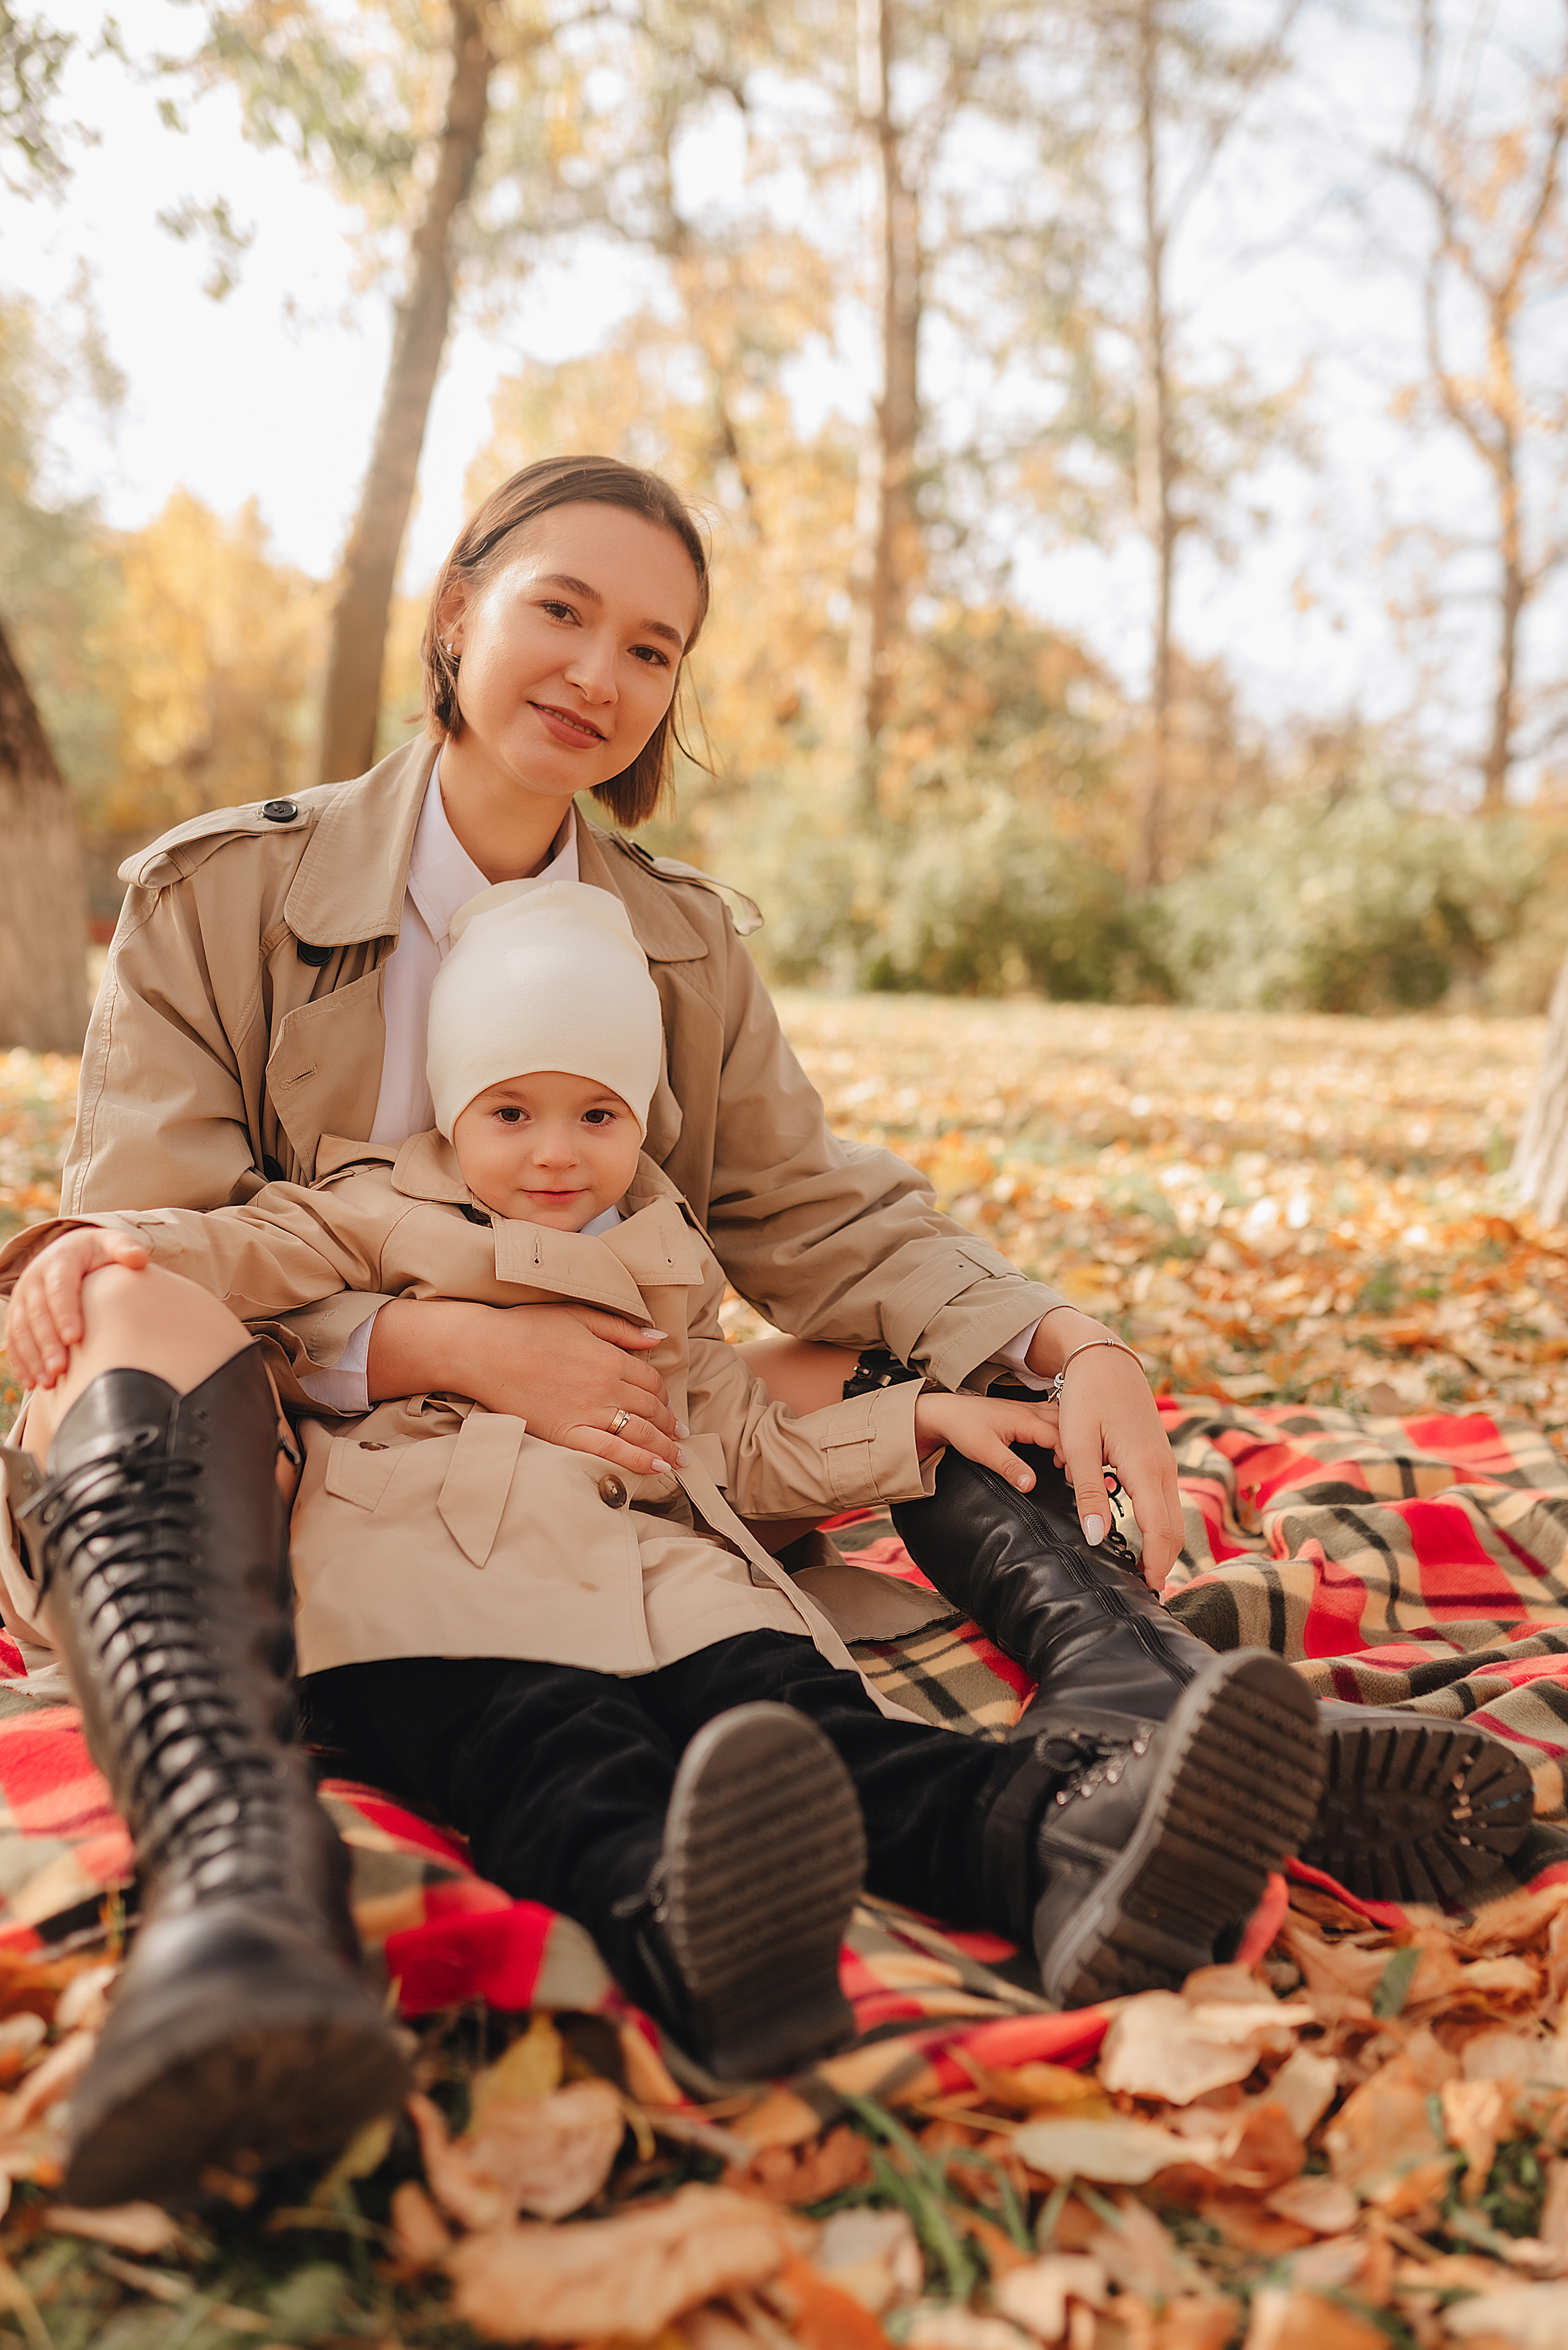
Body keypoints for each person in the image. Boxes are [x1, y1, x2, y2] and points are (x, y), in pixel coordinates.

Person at [0, 453, 1529, 2177]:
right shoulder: (221, 895)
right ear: (456, 611)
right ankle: (238, 1880)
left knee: (929, 1364)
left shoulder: (671, 940)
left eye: (652, 647)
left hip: (619, 1425)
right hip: (317, 1445)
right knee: (122, 1318)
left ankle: (1135, 1691)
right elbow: (153, 1241)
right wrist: (421, 1340)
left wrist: (1062, 1339)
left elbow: (813, 1221)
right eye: (559, 609)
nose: (598, 673)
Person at [4, 876, 1327, 2204]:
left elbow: (737, 1443)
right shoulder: (368, 1207)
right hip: (435, 1584)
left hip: (667, 1571)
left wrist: (910, 1421)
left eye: (598, 1113)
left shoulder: (661, 1253)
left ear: (639, 1118)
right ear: (454, 1109)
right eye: (509, 1112)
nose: (555, 1152)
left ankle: (1055, 1841)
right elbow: (230, 1254)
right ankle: (690, 1932)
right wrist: (108, 1238)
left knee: (814, 1728)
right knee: (561, 1762)